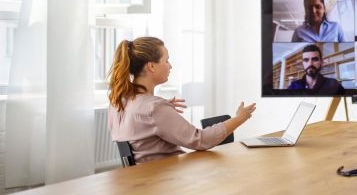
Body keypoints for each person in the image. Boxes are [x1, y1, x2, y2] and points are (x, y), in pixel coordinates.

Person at [107, 37, 257, 164]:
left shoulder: (118, 101)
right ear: (151, 66)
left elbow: (141, 127)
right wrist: (240, 117)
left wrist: (162, 111)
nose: (170, 66)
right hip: (168, 183)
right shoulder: (154, 108)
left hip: (144, 182)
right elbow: (201, 140)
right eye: (166, 61)